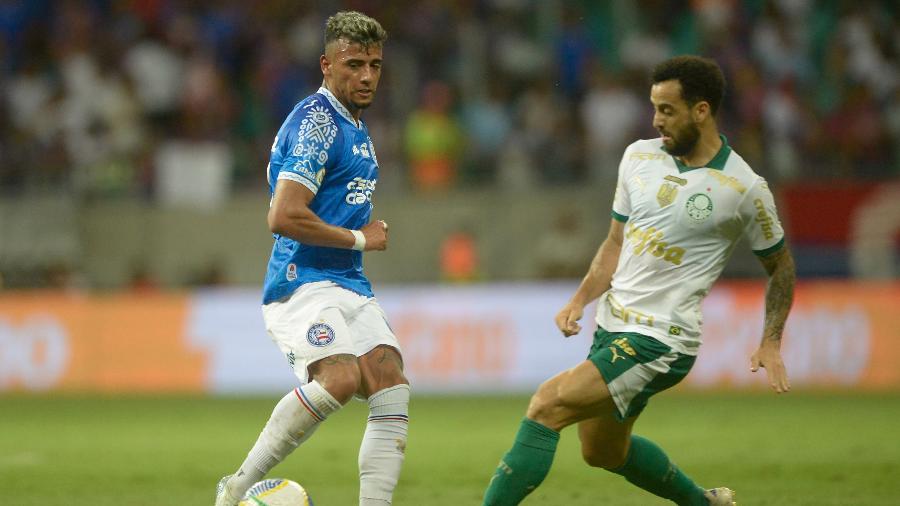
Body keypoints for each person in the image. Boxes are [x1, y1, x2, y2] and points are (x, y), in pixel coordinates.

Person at [482, 55, 796, 506]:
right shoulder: (639, 156)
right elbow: (615, 242)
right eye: (654, 108)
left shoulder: (744, 188)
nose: (656, 120)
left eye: (668, 110)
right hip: (612, 327)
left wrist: (771, 339)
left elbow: (780, 265)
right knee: (602, 451)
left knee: (546, 405)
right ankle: (704, 503)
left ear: (701, 111)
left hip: (660, 340)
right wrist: (580, 299)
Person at [216, 12, 409, 506]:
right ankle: (238, 485)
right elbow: (282, 216)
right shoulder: (318, 124)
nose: (366, 76)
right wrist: (361, 239)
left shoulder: (357, 127)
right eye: (353, 65)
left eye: (374, 65)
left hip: (348, 283)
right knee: (340, 379)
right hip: (301, 281)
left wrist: (357, 244)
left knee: (391, 383)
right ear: (326, 65)